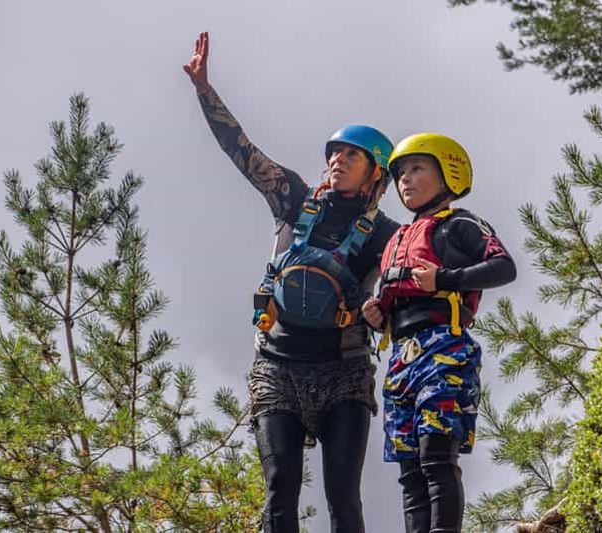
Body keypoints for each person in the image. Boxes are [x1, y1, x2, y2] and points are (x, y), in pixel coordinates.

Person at [183, 32, 400, 532]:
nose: (337, 160)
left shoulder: (388, 235)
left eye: (352, 155)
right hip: (277, 367)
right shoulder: (293, 198)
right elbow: (242, 151)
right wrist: (204, 91)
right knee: (280, 484)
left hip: (343, 371)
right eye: (334, 152)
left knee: (343, 497)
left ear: (375, 175)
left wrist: (381, 311)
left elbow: (408, 287)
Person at [361, 133, 517, 532]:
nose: (406, 180)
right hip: (401, 357)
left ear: (447, 171)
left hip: (443, 347)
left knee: (436, 455)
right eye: (400, 174)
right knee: (410, 467)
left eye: (417, 168)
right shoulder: (397, 239)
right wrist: (378, 313)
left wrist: (444, 278)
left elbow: (503, 267)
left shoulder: (459, 223)